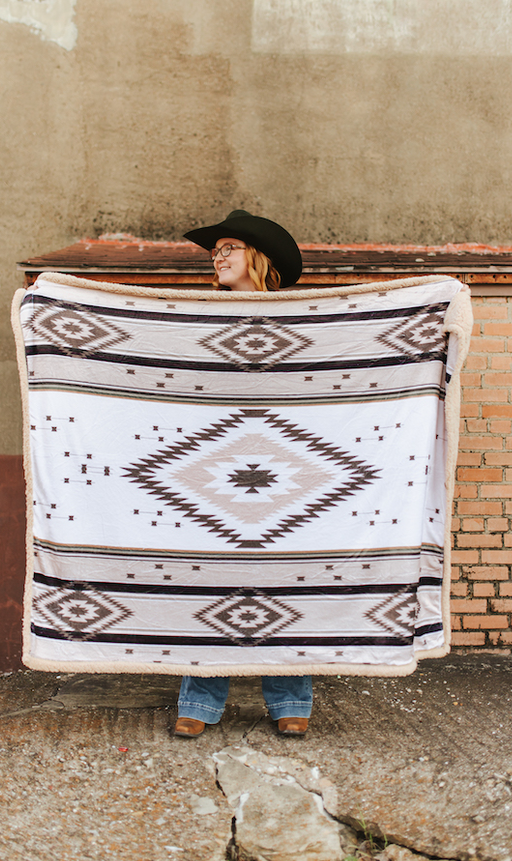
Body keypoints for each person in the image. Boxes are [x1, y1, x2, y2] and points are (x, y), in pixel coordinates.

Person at [173, 210, 312, 738]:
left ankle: (291, 700)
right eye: (216, 251)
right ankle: (200, 701)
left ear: (258, 257)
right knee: (212, 578)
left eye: (229, 247)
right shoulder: (202, 316)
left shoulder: (297, 318)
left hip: (286, 466)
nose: (219, 256)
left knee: (284, 578)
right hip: (212, 467)